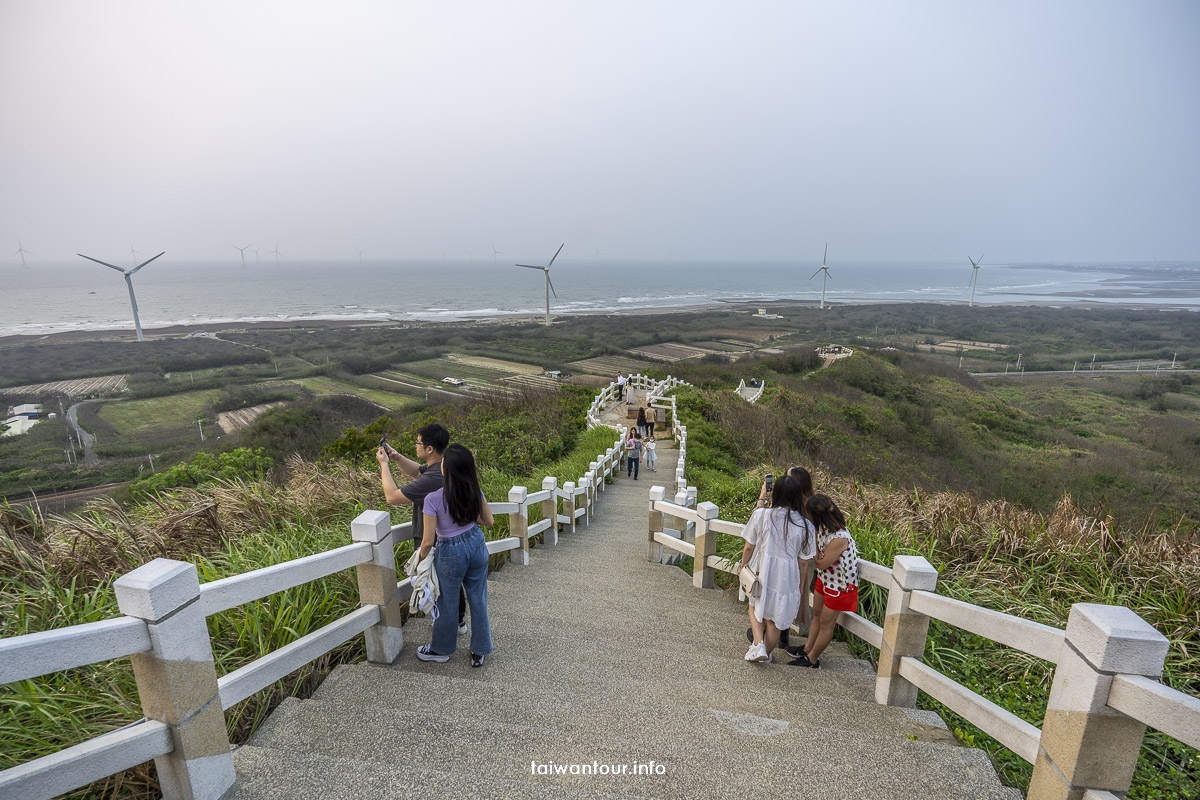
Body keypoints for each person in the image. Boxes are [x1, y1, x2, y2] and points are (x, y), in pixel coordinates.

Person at [376, 423, 468, 635]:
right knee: (450, 583)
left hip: (434, 539)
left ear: (429, 449)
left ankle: (446, 629)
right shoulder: (444, 465)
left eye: (418, 443)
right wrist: (396, 456)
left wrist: (384, 465)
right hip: (452, 535)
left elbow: (392, 497)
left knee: (438, 585)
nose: (415, 446)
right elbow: (417, 470)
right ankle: (459, 622)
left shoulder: (434, 478)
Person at [413, 444, 495, 666]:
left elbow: (428, 541)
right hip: (476, 543)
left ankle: (441, 649)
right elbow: (488, 520)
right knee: (478, 598)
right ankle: (480, 650)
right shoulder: (474, 491)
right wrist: (465, 514)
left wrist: (419, 560)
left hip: (450, 551)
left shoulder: (433, 499)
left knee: (446, 602)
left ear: (445, 469)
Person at [741, 475, 816, 663]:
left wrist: (743, 565)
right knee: (775, 621)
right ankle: (765, 653)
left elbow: (749, 546)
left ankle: (758, 645)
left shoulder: (762, 515)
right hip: (788, 576)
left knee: (754, 606)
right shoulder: (806, 525)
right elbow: (804, 561)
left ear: (777, 493)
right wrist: (799, 586)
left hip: (763, 569)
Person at [788, 494, 858, 669]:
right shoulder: (824, 527)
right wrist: (818, 550)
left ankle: (812, 659)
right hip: (824, 578)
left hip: (840, 586)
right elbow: (820, 560)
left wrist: (816, 551)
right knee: (817, 615)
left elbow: (821, 562)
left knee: (827, 624)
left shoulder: (839, 537)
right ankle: (807, 649)